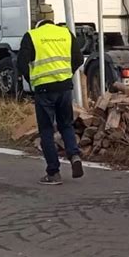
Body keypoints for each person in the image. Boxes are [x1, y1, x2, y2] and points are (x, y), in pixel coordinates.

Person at [17, 19, 84, 185]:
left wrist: (32, 80)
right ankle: (74, 155)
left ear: (38, 25)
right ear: (52, 22)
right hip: (64, 87)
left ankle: (53, 173)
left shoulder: (32, 36)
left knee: (46, 130)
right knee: (66, 125)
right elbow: (78, 59)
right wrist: (66, 74)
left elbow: (21, 63)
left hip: (44, 90)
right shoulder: (65, 33)